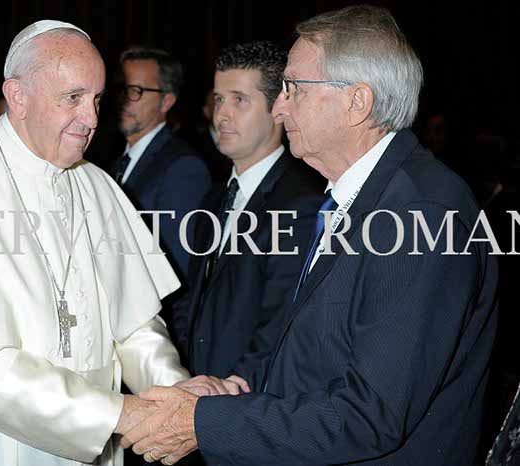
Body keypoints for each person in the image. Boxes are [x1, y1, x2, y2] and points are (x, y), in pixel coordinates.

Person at [120, 6, 499, 465]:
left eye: (293, 88)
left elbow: (368, 415)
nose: (280, 106)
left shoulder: (422, 213)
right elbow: (311, 350)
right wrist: (228, 390)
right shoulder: (355, 197)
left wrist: (202, 422)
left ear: (357, 102)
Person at [0, 20, 244, 466]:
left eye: (98, 99)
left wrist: (175, 394)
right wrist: (128, 413)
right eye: (73, 98)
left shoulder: (97, 186)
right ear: (18, 95)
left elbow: (136, 325)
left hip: (95, 441)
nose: (92, 120)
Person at [173, 41, 322, 377]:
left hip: (244, 407)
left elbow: (280, 327)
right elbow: (191, 304)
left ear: (279, 109)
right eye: (219, 99)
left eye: (239, 100)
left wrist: (228, 395)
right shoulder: (212, 200)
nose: (221, 114)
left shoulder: (302, 204)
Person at [110, 47, 211, 296]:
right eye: (121, 89)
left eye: (136, 91)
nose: (124, 99)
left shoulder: (183, 168)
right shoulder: (114, 164)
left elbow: (177, 272)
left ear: (167, 101)